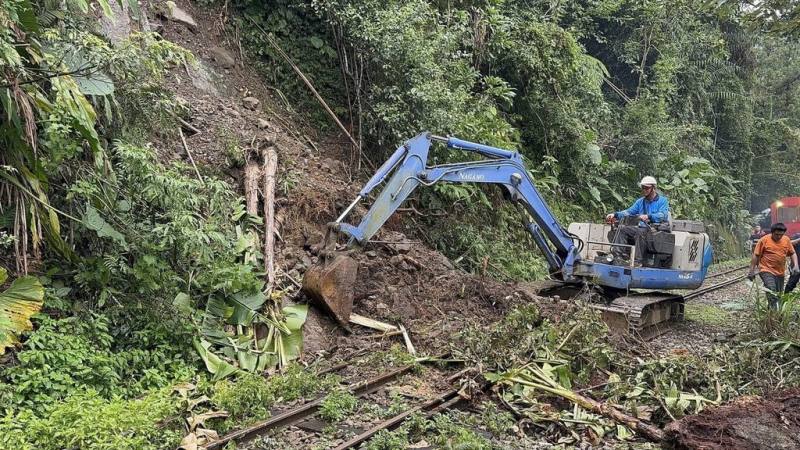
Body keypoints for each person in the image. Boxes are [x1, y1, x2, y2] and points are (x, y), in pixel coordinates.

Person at [604, 176, 670, 266]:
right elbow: (629, 212)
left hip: (655, 229)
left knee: (640, 231)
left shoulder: (662, 201)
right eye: (643, 188)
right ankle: (618, 256)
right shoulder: (640, 202)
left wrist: (649, 216)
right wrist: (615, 214)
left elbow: (663, 215)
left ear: (653, 188)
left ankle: (638, 261)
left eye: (647, 188)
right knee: (622, 228)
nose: (644, 190)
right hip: (642, 228)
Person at [748, 223, 800, 309]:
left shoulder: (786, 240)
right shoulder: (764, 240)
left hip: (780, 272)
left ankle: (772, 310)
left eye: (781, 235)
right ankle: (775, 312)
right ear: (772, 232)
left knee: (778, 294)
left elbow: (792, 253)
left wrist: (796, 265)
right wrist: (751, 270)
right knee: (771, 288)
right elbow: (756, 255)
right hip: (766, 269)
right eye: (777, 234)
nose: (779, 237)